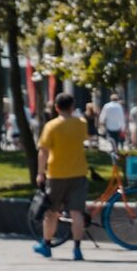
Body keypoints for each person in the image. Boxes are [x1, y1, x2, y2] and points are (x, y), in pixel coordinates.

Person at [33, 92, 90, 261]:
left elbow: (43, 151)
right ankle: (77, 249)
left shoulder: (51, 126)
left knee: (51, 212)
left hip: (56, 174)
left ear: (56, 107)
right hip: (79, 172)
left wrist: (40, 172)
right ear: (72, 107)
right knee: (76, 212)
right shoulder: (81, 124)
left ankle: (46, 245)